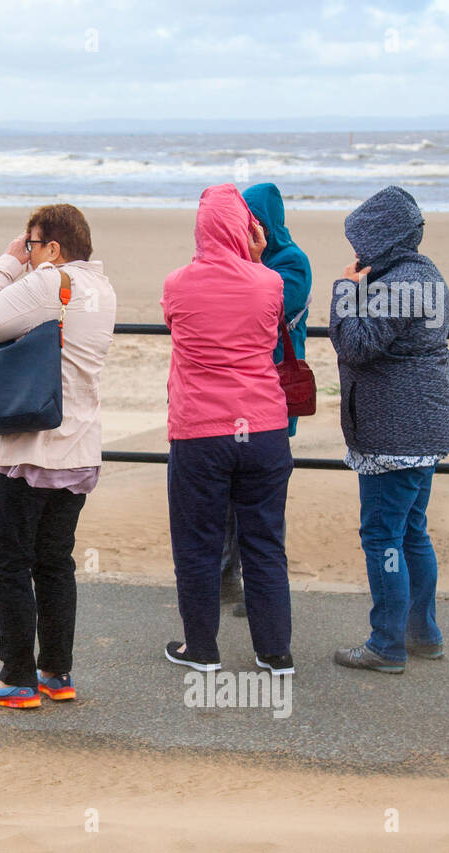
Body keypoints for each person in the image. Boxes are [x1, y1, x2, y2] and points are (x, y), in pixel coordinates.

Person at [0, 204, 116, 707]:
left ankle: (15, 678)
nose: (26, 253)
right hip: (77, 448)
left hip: (31, 446)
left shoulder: (51, 280)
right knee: (55, 562)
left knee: (8, 560)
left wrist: (4, 265)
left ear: (53, 248)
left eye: (31, 244)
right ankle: (56, 672)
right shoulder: (102, 288)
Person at [160, 183, 295, 676]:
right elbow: (266, 317)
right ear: (247, 228)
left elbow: (177, 326)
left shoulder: (177, 282)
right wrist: (256, 259)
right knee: (265, 541)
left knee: (197, 542)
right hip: (264, 428)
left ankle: (202, 649)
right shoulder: (269, 282)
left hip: (200, 429)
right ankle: (275, 652)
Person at [329, 186, 449, 673]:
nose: (357, 250)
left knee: (382, 535)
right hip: (424, 425)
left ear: (383, 239)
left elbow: (355, 346)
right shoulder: (424, 274)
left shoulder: (398, 285)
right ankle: (422, 633)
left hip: (395, 432)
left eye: (362, 239)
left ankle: (386, 645)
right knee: (412, 533)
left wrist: (346, 289)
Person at [218, 183, 314, 615]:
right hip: (232, 394)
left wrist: (251, 263)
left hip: (271, 395)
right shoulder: (235, 260)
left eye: (254, 219)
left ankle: (260, 589)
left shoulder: (292, 262)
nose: (248, 227)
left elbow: (268, 309)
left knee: (261, 500)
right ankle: (226, 578)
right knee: (225, 495)